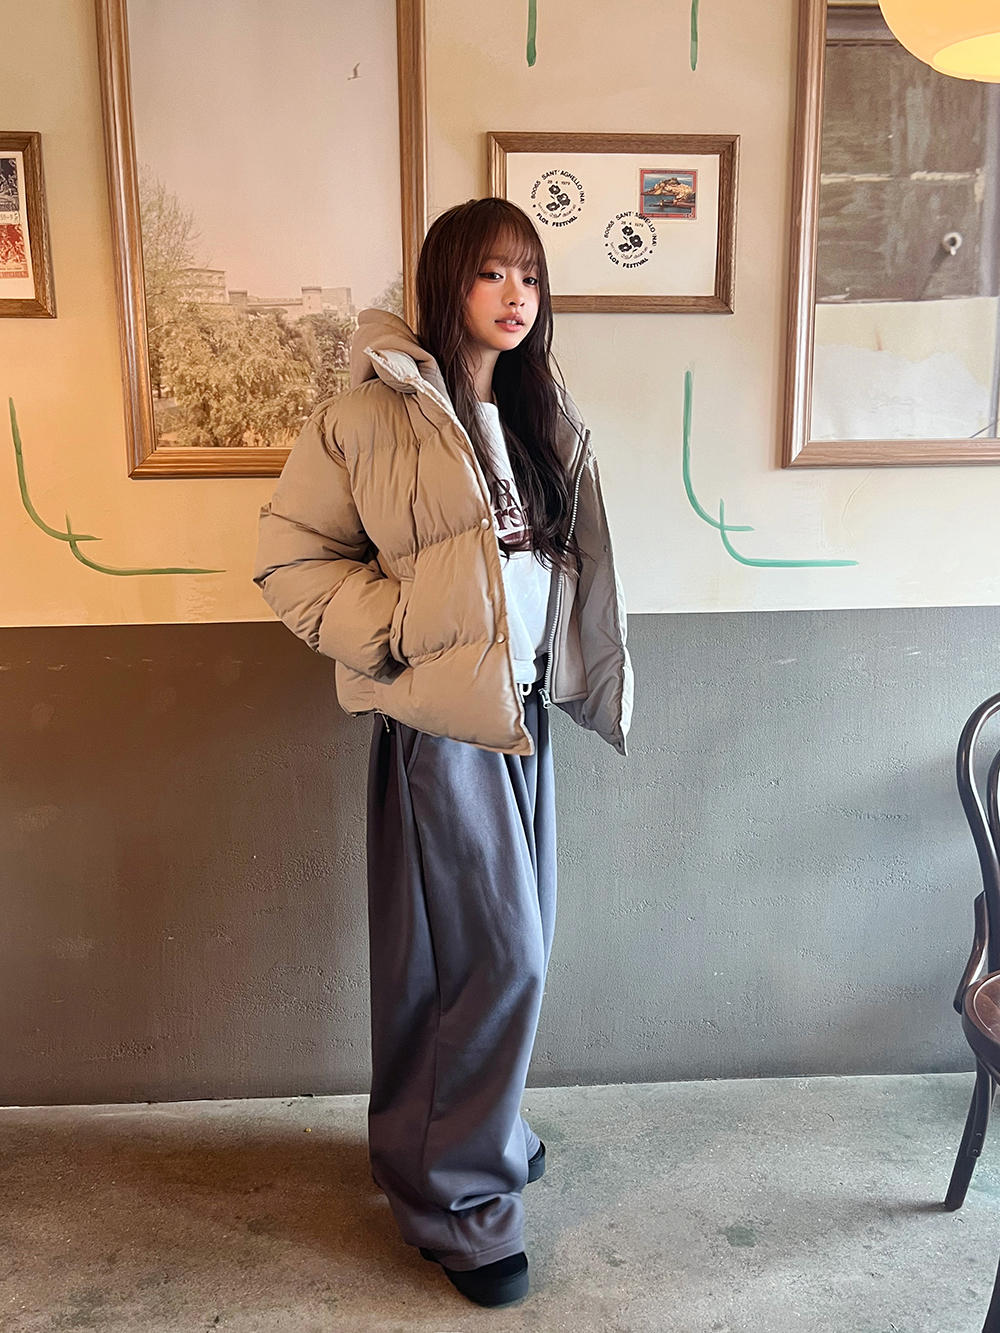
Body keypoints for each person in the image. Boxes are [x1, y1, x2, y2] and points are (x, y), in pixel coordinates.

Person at [253, 197, 633, 1308]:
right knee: (494, 962)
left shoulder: (540, 413)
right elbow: (291, 565)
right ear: (446, 283)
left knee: (502, 955)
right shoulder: (366, 418)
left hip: (525, 721)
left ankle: (462, 1141)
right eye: (491, 273)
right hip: (440, 729)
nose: (517, 295)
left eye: (530, 275)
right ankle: (461, 1203)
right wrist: (405, 631)